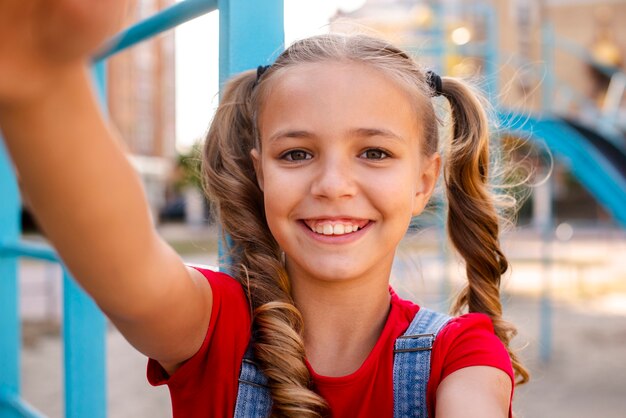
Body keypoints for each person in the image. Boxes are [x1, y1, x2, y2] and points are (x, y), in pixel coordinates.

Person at [0, 1, 528, 417]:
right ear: (260, 173)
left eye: (374, 153)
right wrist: (42, 84)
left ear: (423, 181)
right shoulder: (214, 327)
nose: (333, 185)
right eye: (296, 154)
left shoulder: (463, 353)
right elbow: (128, 268)